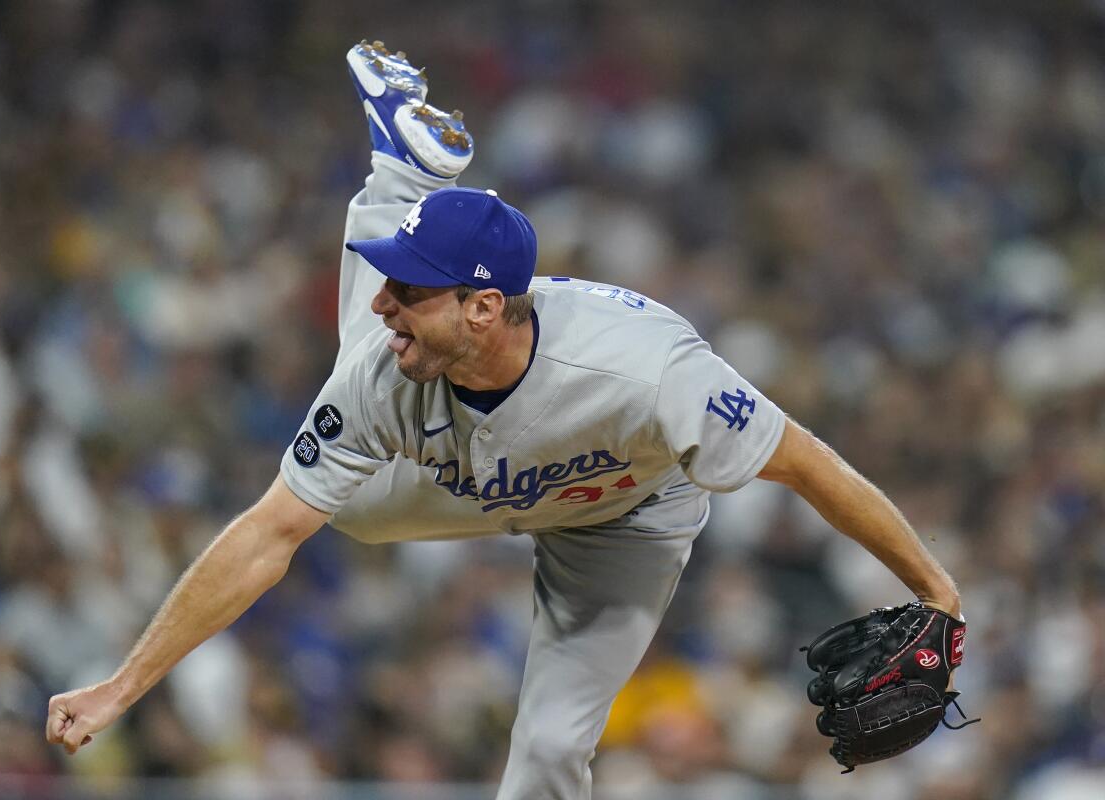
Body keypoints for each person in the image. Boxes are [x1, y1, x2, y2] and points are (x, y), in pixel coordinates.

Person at [47, 40, 961, 799]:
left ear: (484, 307)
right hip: (480, 473)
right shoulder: (388, 367)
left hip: (624, 518)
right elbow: (265, 536)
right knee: (350, 500)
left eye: (409, 287)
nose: (381, 304)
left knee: (553, 751)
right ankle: (400, 176)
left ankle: (403, 172)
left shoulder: (651, 375)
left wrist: (937, 592)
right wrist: (126, 685)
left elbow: (807, 464)